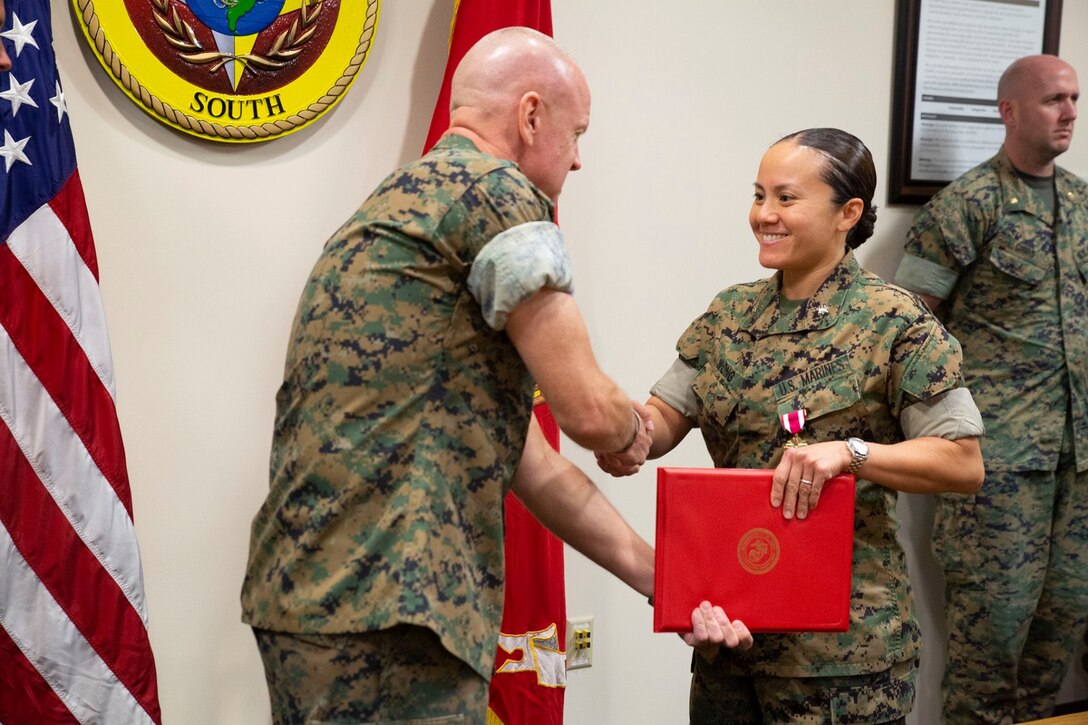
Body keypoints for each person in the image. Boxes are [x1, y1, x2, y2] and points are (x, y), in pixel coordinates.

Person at [240, 27, 750, 724]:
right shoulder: (493, 193)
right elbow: (586, 411)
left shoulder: (400, 203)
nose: (578, 162)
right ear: (531, 114)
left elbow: (532, 465)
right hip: (393, 610)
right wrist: (630, 428)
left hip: (320, 597)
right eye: (576, 134)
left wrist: (666, 582)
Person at [599, 128, 985, 724]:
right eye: (758, 196)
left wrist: (850, 452)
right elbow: (662, 420)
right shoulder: (730, 313)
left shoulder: (895, 322)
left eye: (786, 198)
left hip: (842, 656)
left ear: (847, 214)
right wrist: (614, 427)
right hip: (729, 632)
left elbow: (962, 463)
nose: (764, 216)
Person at [893, 54, 1088, 724]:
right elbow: (908, 327)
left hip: (1079, 461)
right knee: (992, 639)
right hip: (998, 466)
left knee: (1060, 628)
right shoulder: (966, 206)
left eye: (1074, 98)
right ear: (1008, 110)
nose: (1068, 113)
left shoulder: (1084, 204)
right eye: (1052, 100)